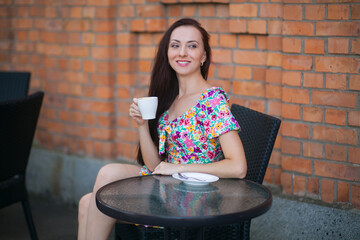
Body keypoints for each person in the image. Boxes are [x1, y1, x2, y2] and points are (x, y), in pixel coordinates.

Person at [77, 18, 247, 240]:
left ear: (204, 56)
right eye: (175, 45)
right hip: (167, 184)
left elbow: (238, 167)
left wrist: (176, 167)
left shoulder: (211, 101)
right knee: (87, 200)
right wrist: (142, 126)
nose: (182, 52)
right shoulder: (172, 98)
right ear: (167, 53)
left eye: (192, 46)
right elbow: (156, 166)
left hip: (193, 196)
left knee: (98, 191)